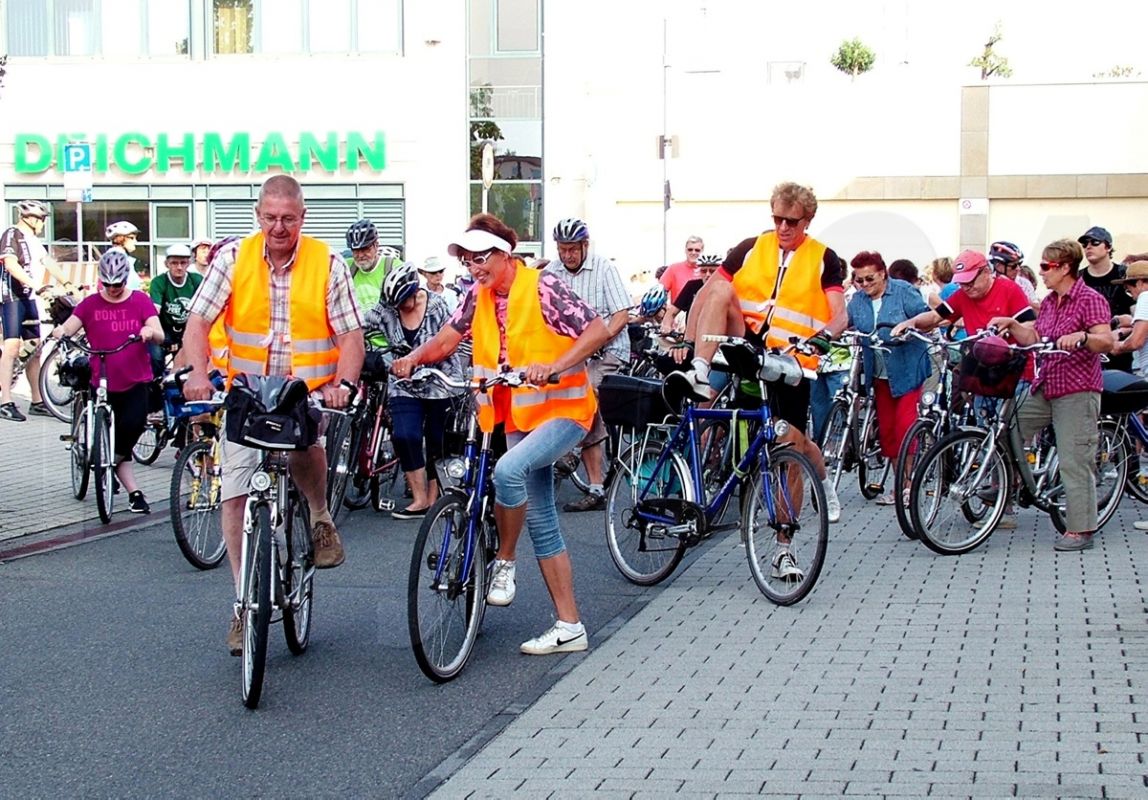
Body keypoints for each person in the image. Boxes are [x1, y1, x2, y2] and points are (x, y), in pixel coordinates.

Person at [391, 212, 610, 656]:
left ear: (505, 254)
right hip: (516, 417)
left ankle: (504, 562)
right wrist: (412, 359)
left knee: (507, 473)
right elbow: (449, 339)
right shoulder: (479, 295)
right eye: (468, 261)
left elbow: (598, 329)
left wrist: (557, 366)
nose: (474, 268)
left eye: (481, 258)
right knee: (544, 521)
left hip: (565, 411)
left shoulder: (542, 287)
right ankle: (570, 626)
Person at [181, 175, 365, 656]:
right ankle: (244, 603)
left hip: (304, 390)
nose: (279, 227)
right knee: (236, 495)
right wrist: (198, 373)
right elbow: (198, 320)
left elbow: (350, 336)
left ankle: (320, 516)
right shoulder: (232, 258)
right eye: (270, 218)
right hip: (246, 392)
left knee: (308, 449)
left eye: (288, 218)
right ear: (257, 216)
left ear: (302, 218)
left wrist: (343, 386)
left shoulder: (327, 263)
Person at [670, 181, 847, 528]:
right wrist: (688, 344)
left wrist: (823, 338)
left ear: (807, 221)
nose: (783, 227)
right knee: (719, 286)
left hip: (791, 358)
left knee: (794, 447)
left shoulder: (823, 257)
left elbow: (839, 314)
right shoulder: (750, 248)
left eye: (792, 222)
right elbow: (705, 295)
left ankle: (811, 502)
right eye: (778, 218)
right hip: (746, 343)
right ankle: (700, 371)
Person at [891, 249, 1037, 528]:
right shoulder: (962, 295)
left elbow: (1030, 331)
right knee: (985, 434)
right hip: (981, 367)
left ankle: (1006, 501)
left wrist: (1011, 325)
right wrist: (910, 323)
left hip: (1014, 370)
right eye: (962, 282)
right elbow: (935, 318)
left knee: (1005, 436)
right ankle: (998, 497)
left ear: (986, 272)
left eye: (971, 281)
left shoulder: (1009, 290)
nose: (966, 288)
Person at [988, 239, 1113, 551]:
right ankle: (1010, 484)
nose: (1040, 272)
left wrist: (1083, 337)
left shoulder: (1089, 299)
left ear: (1065, 267)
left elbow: (1106, 340)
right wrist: (1013, 325)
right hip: (1046, 384)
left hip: (1077, 389)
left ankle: (1081, 529)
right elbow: (1036, 337)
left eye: (1046, 266)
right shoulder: (1050, 300)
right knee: (1007, 429)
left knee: (1075, 458)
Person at [50, 250, 163, 514]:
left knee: (132, 426)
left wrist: (149, 331)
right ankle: (134, 492)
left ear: (126, 280)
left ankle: (110, 464)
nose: (113, 289)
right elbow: (70, 326)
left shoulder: (139, 301)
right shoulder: (90, 304)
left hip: (135, 379)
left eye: (118, 284)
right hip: (102, 377)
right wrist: (60, 332)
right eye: (108, 284)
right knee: (113, 432)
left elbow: (158, 332)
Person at [543, 218, 632, 512]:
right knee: (553, 400)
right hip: (572, 356)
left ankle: (569, 451)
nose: (567, 255)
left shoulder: (604, 268)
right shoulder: (550, 273)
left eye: (572, 249)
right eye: (562, 249)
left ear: (585, 246)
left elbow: (621, 314)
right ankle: (596, 487)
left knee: (587, 393)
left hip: (608, 352)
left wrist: (599, 340)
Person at [363, 261, 463, 519]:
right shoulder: (386, 310)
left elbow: (451, 341)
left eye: (404, 303)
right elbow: (355, 326)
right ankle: (419, 499)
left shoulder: (437, 307)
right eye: (394, 305)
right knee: (405, 435)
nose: (399, 309)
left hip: (439, 381)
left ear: (415, 293)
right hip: (404, 384)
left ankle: (434, 497)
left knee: (436, 440)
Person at [845, 251, 931, 506]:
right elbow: (846, 321)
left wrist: (909, 326)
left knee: (906, 428)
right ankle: (899, 485)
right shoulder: (858, 300)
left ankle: (909, 486)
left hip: (906, 371)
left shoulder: (904, 291)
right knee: (889, 435)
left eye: (869, 279)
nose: (864, 285)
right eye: (859, 280)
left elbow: (928, 318)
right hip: (879, 375)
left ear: (882, 274)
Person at [1, 200, 73, 421]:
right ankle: (5, 401)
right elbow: (11, 265)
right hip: (11, 296)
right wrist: (38, 285)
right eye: (41, 219)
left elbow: (47, 262)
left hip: (28, 297)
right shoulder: (12, 234)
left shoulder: (33, 240)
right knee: (12, 347)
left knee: (35, 349)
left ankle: (37, 400)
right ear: (29, 218)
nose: (43, 223)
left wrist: (70, 284)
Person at [1078, 225, 1133, 372]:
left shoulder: (1124, 275)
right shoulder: (1078, 278)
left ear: (1108, 247)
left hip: (1120, 350)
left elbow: (1140, 316)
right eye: (1085, 244)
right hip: (1087, 351)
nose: (1088, 247)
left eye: (1095, 242)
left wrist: (1120, 333)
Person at [149, 243, 204, 372]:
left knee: (195, 360)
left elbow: (203, 310)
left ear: (189, 263)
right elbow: (154, 311)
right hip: (165, 329)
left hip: (189, 327)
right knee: (155, 357)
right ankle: (156, 386)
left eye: (183, 263)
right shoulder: (159, 282)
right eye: (174, 263)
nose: (179, 267)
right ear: (166, 264)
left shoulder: (196, 280)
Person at [988, 240, 1038, 310]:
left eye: (1019, 264)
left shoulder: (1025, 284)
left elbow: (1037, 310)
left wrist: (1015, 290)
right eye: (1013, 266)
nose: (1018, 268)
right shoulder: (988, 284)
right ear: (998, 266)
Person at [659, 235, 704, 308]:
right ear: (685, 250)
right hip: (678, 314)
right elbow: (659, 292)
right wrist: (665, 307)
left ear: (702, 251)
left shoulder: (706, 271)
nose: (693, 252)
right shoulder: (673, 268)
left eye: (697, 250)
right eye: (690, 249)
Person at [105, 221, 144, 291]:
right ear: (120, 239)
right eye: (132, 238)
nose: (135, 242)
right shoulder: (115, 258)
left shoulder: (122, 257)